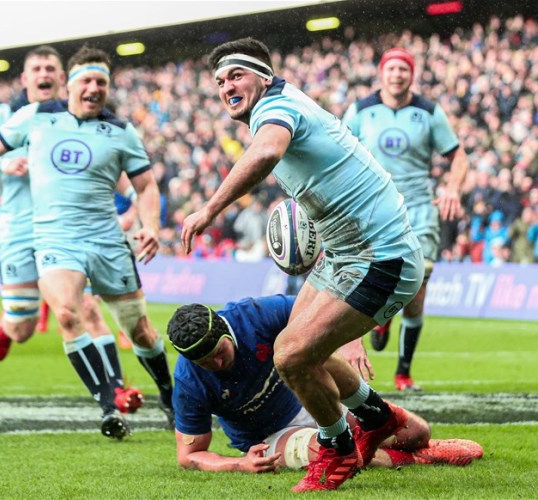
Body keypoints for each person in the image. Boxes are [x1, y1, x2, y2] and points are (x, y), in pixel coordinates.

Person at [181, 38, 425, 491]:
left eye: (236, 75)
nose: (226, 86)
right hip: (344, 252)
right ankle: (373, 415)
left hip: (380, 256)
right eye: (219, 81)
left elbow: (268, 151)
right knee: (294, 336)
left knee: (291, 354)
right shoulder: (282, 104)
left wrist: (209, 209)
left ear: (264, 76)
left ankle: (337, 449)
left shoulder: (275, 109)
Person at [0, 45, 174, 438]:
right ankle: (108, 405)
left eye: (101, 81)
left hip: (106, 241)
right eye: (86, 79)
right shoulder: (34, 118)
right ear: (69, 85)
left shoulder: (121, 131)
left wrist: (150, 224)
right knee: (68, 314)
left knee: (140, 330)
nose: (94, 87)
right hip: (53, 239)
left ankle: (169, 397)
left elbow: (144, 184)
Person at [167, 295, 483, 474]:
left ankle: (420, 444)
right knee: (331, 452)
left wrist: (349, 341)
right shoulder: (189, 381)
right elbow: (190, 455)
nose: (217, 365)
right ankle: (418, 457)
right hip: (270, 436)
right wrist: (239, 464)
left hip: (314, 396)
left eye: (219, 353)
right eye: (205, 363)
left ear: (226, 331)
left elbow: (325, 310)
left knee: (415, 432)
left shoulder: (254, 315)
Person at [342, 47, 469, 391]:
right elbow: (338, 153)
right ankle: (382, 319)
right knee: (371, 280)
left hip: (419, 209)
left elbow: (458, 157)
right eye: (392, 68)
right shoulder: (360, 111)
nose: (397, 74)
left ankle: (403, 372)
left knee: (417, 287)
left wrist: (452, 187)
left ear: (411, 74)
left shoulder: (428, 113)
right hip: (373, 209)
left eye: (404, 69)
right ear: (382, 73)